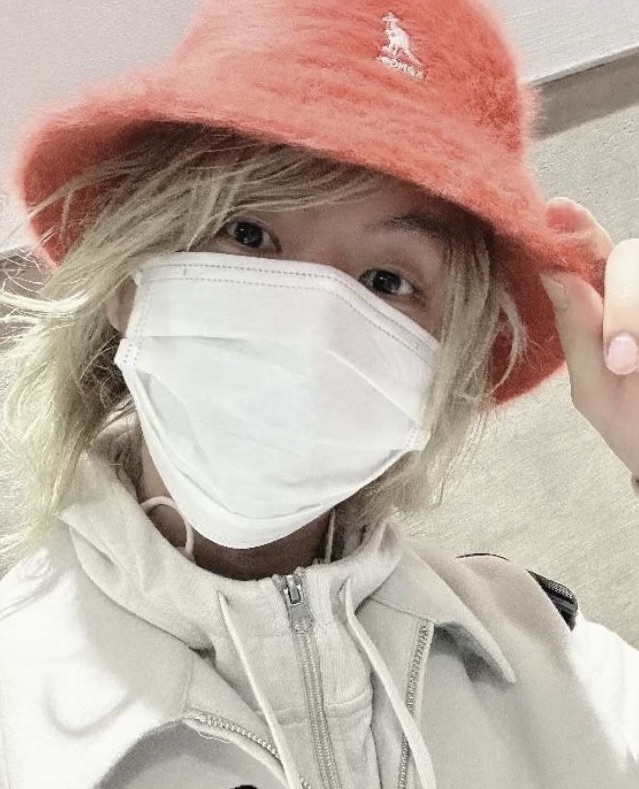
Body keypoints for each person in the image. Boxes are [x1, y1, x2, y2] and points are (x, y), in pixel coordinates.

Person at [0, 0, 638, 786]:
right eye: (247, 232)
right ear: (129, 280)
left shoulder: (555, 659)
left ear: (443, 368)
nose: (309, 327)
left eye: (386, 280)